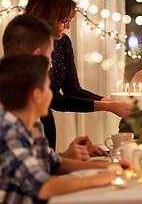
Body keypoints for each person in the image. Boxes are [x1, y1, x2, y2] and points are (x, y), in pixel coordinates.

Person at [0, 55, 129, 204]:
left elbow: (53, 163)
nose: (53, 96)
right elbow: (44, 187)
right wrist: (99, 178)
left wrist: (108, 166)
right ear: (36, 95)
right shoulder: (10, 131)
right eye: (49, 88)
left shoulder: (32, 127)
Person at [25, 0, 131, 149]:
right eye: (64, 21)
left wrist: (111, 103)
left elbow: (73, 90)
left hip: (47, 126)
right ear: (46, 19)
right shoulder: (28, 48)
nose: (68, 27)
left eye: (69, 21)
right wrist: (109, 107)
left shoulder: (62, 42)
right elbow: (56, 101)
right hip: (31, 126)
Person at [2, 14, 106, 160]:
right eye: (50, 54)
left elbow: (46, 163)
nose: (52, 62)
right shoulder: (11, 124)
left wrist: (69, 156)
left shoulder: (35, 123)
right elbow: (42, 181)